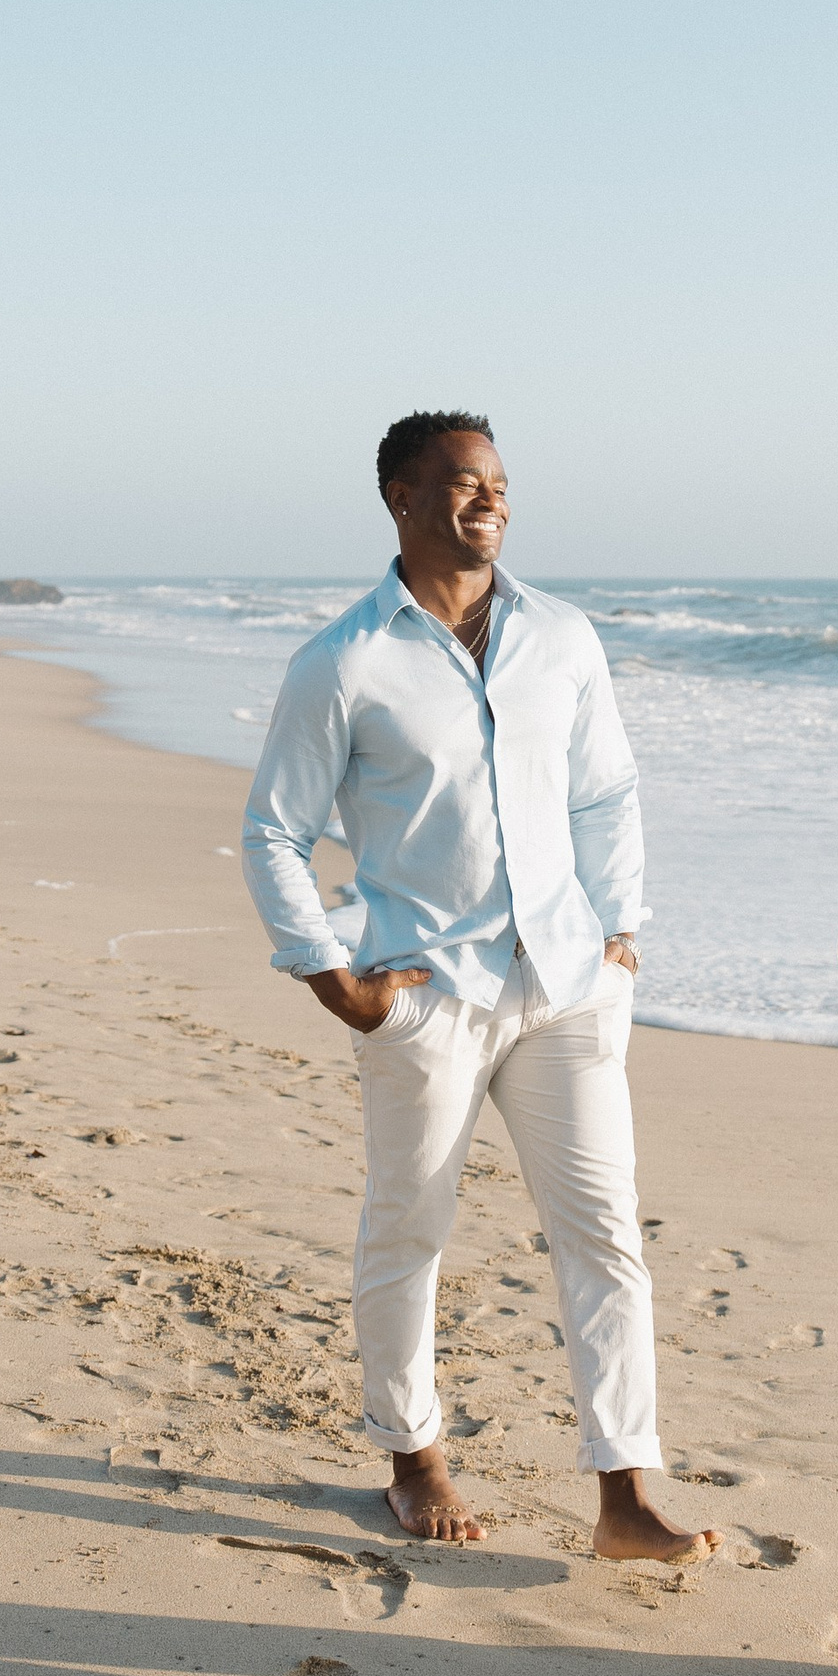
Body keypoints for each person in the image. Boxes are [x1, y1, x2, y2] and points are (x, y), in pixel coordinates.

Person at [241, 410, 720, 1562]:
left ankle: (624, 1490)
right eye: (462, 482)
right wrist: (330, 975)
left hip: (565, 984)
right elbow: (273, 829)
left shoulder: (561, 635)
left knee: (603, 1231)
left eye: (499, 481)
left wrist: (620, 929)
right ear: (401, 496)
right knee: (410, 1226)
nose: (490, 500)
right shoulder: (344, 660)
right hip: (429, 992)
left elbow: (606, 792)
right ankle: (413, 1460)